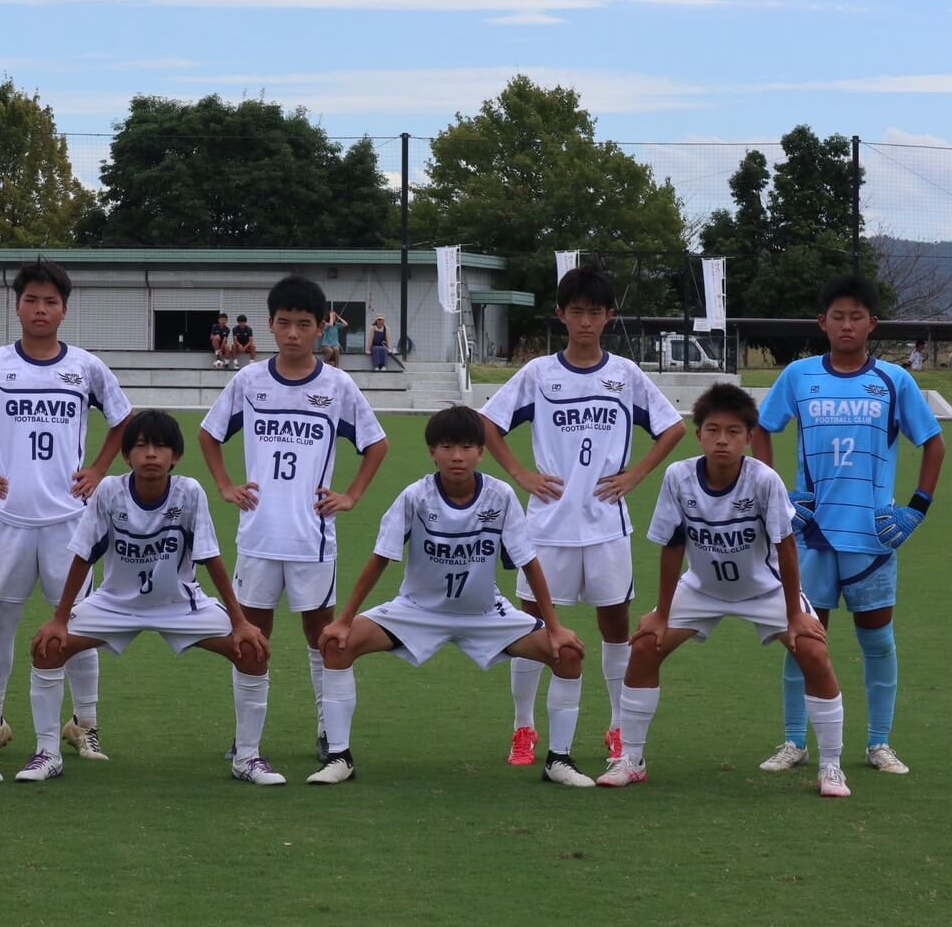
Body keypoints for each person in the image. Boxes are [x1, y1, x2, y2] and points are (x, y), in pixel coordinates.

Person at [309, 406, 593, 787]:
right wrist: (343, 620)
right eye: (446, 447)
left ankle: (559, 760)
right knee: (337, 646)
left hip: (484, 614)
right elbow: (380, 560)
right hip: (417, 612)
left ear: (481, 452)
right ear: (432, 452)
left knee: (568, 653)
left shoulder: (500, 496)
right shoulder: (415, 497)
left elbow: (529, 563)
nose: (456, 456)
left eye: (466, 447)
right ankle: (339, 758)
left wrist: (554, 627)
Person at [478, 264, 685, 770]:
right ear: (561, 315)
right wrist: (521, 475)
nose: (585, 321)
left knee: (615, 629)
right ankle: (523, 728)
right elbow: (487, 422)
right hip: (546, 527)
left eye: (595, 311)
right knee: (531, 628)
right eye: (576, 312)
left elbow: (674, 428)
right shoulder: (539, 373)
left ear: (609, 316)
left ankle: (616, 728)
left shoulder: (625, 375)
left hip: (606, 525)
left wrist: (634, 475)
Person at [600, 384, 849, 797]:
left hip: (764, 589)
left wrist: (794, 613)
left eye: (733, 432)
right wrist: (662, 613)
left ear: (748, 438)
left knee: (813, 650)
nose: (722, 440)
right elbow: (672, 546)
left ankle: (831, 767)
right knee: (644, 645)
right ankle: (632, 758)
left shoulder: (764, 480)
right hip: (701, 588)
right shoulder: (678, 476)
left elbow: (786, 545)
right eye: (713, 430)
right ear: (699, 434)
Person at [16, 410, 283, 785]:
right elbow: (82, 555)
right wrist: (60, 617)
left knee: (253, 650)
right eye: (141, 446)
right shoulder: (109, 491)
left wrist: (240, 622)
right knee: (47, 646)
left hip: (181, 605)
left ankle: (247, 757)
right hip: (115, 604)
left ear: (176, 456)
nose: (151, 454)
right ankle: (48, 753)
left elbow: (210, 558)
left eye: (161, 446)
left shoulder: (189, 492)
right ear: (127, 457)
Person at [0, 260, 132, 768]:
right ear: (18, 305)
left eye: (50, 301)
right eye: (31, 300)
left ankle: (83, 725)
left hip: (70, 520)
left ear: (64, 310)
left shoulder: (86, 368)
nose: (40, 309)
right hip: (9, 519)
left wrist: (97, 470)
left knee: (77, 622)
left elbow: (123, 421)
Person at [752, 274, 946, 777]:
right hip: (811, 534)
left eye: (856, 316)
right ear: (822, 323)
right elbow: (762, 430)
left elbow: (934, 443)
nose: (846, 324)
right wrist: (781, 499)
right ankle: (795, 741)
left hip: (872, 537)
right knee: (804, 639)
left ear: (872, 325)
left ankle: (879, 744)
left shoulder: (894, 382)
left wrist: (915, 509)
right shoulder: (798, 376)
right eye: (837, 316)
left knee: (877, 640)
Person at [200, 274, 389, 763]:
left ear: (321, 327)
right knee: (252, 639)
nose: (292, 334)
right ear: (270, 325)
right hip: (259, 534)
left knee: (320, 635)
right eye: (283, 323)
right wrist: (225, 485)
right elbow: (209, 435)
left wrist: (351, 496)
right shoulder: (250, 380)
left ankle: (329, 728)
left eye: (303, 324)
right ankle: (246, 740)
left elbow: (377, 444)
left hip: (312, 538)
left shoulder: (337, 386)